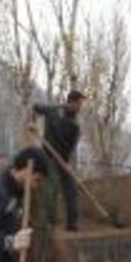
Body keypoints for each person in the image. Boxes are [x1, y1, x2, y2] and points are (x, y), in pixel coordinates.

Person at [33, 90, 86, 232]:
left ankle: (72, 225)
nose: (81, 107)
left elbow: (70, 148)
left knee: (71, 188)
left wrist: (66, 163)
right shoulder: (53, 111)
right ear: (72, 102)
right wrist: (33, 121)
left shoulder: (74, 125)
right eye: (79, 104)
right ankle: (47, 225)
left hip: (61, 160)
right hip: (46, 158)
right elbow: (36, 107)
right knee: (50, 189)